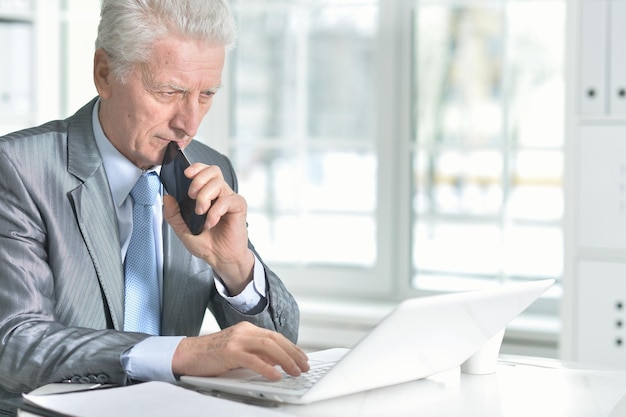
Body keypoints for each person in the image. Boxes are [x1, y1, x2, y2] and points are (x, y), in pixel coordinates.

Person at [0, 0, 309, 401]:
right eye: (169, 91)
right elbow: (14, 344)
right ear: (104, 73)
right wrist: (180, 354)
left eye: (207, 94)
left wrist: (235, 267)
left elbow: (280, 352)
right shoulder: (18, 169)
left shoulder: (210, 169)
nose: (190, 123)